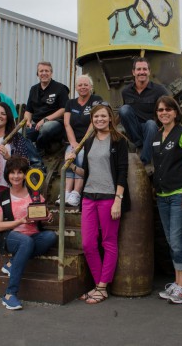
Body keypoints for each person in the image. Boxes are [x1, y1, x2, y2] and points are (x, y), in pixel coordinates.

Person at [66, 103, 130, 304]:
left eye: (103, 116)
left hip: (109, 197)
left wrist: (118, 201)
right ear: (92, 120)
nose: (100, 120)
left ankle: (102, 286)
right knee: (88, 243)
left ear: (110, 118)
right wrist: (72, 166)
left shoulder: (119, 141)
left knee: (108, 242)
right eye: (96, 117)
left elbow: (122, 172)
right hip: (89, 197)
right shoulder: (89, 141)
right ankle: (98, 284)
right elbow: (88, 172)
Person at [0, 156, 57, 310]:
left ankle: (12, 263)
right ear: (7, 175)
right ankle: (10, 294)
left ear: (25, 175)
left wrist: (48, 217)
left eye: (20, 172)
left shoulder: (34, 194)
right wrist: (20, 221)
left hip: (33, 235)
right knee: (26, 242)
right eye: (12, 172)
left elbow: (42, 214)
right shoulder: (2, 197)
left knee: (50, 236)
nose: (16, 176)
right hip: (12, 236)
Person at [152, 96, 182, 304]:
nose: (164, 113)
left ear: (175, 112)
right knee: (171, 241)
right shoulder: (157, 135)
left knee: (178, 241)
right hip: (162, 196)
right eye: (160, 110)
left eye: (168, 109)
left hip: (179, 195)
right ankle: (177, 284)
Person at [0, 102, 30, 247]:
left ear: (8, 117)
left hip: (5, 187)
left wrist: (9, 158)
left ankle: (1, 255)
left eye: (3, 113)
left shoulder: (15, 137)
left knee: (3, 224)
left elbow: (25, 163)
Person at [119, 57, 168, 174]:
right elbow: (126, 115)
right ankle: (140, 143)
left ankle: (143, 162)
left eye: (145, 69)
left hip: (151, 129)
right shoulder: (126, 91)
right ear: (133, 72)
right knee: (124, 109)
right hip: (134, 129)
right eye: (139, 69)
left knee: (151, 124)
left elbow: (168, 109)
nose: (142, 72)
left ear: (149, 71)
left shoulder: (159, 90)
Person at [62, 74, 102, 206]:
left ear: (91, 87)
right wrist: (73, 143)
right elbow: (67, 124)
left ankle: (76, 194)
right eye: (80, 85)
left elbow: (94, 123)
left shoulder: (96, 100)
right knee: (68, 158)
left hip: (90, 140)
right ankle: (66, 193)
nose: (83, 87)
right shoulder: (70, 103)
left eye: (86, 84)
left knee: (80, 158)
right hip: (73, 140)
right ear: (76, 87)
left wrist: (82, 144)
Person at [23, 61, 69, 154]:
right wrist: (27, 121)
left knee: (46, 128)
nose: (44, 73)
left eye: (47, 71)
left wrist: (45, 119)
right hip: (36, 125)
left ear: (51, 73)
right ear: (38, 74)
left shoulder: (60, 88)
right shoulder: (33, 89)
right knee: (20, 133)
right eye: (41, 71)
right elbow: (28, 110)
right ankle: (35, 159)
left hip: (55, 123)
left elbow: (64, 109)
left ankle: (39, 149)